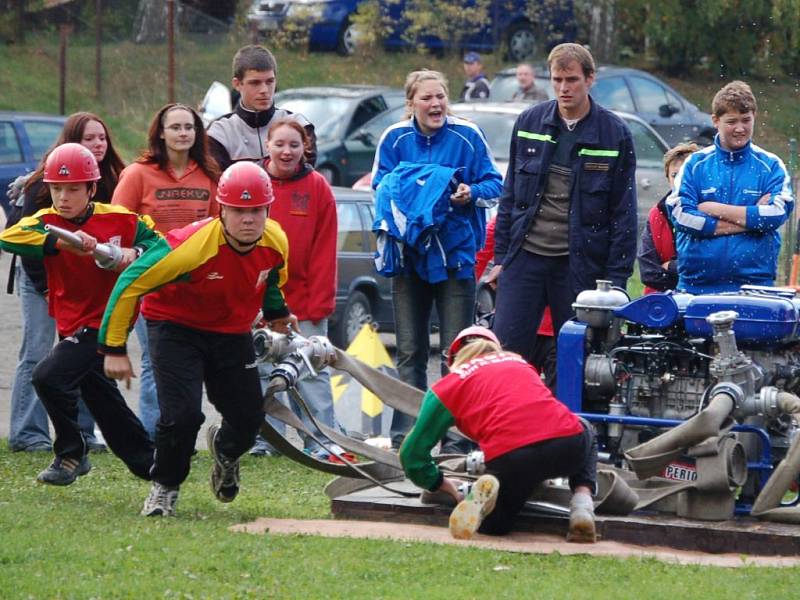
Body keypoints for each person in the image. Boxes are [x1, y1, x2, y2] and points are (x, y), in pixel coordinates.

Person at [99, 162, 296, 517]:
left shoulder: (276, 240)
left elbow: (271, 279)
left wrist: (278, 314)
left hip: (231, 331)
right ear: (222, 210)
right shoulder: (188, 247)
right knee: (182, 416)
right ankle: (165, 487)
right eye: (238, 210)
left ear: (268, 209)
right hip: (175, 327)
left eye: (256, 210)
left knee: (249, 416)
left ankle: (226, 452)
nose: (248, 219)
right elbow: (130, 282)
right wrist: (114, 348)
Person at [0, 143, 159, 485]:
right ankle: (149, 463)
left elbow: (158, 243)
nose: (64, 197)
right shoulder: (47, 222)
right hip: (70, 321)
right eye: (57, 188)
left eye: (74, 189)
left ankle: (72, 453)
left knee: (47, 377)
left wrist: (133, 251)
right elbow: (9, 238)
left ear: (91, 188)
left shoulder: (119, 218)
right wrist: (62, 242)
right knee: (101, 397)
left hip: (105, 322)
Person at [372, 69, 503, 451]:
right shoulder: (394, 138)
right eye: (427, 98)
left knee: (456, 352)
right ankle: (406, 435)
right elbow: (379, 186)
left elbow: (495, 184)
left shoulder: (467, 135)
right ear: (410, 103)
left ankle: (457, 438)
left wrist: (469, 191)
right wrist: (413, 197)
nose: (436, 105)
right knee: (410, 352)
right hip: (409, 258)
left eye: (441, 97)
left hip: (455, 260)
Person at [490, 43, 637, 369]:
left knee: (580, 363)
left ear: (590, 79)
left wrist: (616, 282)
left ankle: (575, 422)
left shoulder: (614, 135)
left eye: (571, 79)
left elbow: (623, 214)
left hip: (579, 265)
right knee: (506, 357)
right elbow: (510, 196)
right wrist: (502, 258)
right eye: (557, 79)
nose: (563, 88)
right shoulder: (529, 122)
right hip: (525, 258)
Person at [399, 326, 598, 542]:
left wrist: (441, 484)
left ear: (453, 359)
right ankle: (582, 504)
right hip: (566, 443)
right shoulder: (517, 361)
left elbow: (411, 455)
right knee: (585, 426)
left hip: (510, 457)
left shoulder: (449, 385)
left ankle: (470, 496)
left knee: (496, 526)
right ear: (496, 348)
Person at [7, 112, 126, 453]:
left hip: (86, 283)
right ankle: (28, 434)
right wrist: (47, 289)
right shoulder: (44, 183)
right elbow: (25, 239)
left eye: (102, 138)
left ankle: (83, 434)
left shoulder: (111, 182)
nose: (98, 144)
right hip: (41, 278)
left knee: (84, 358)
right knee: (38, 353)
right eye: (89, 138)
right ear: (72, 140)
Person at [111, 103, 221, 439]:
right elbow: (115, 225)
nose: (183, 133)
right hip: (151, 284)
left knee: (190, 363)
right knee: (154, 361)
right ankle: (155, 437)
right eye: (175, 127)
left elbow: (221, 228)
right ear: (161, 131)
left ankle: (182, 431)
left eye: (189, 127)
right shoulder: (138, 174)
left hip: (195, 286)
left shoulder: (209, 176)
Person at [250, 118, 339, 459]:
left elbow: (324, 250)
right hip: (259, 303)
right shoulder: (253, 182)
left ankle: (320, 441)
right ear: (267, 146)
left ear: (305, 149)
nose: (287, 152)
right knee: (260, 370)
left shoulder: (317, 187)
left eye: (294, 145)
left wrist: (319, 306)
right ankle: (268, 440)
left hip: (303, 303)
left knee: (310, 372)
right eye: (280, 144)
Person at [667, 81, 795, 294]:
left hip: (755, 286)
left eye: (746, 120)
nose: (740, 128)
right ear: (715, 121)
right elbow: (681, 216)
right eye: (731, 121)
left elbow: (777, 213)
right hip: (696, 286)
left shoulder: (771, 165)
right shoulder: (694, 164)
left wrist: (712, 208)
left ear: (755, 116)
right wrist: (751, 221)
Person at [207, 45, 316, 171]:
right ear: (237, 84)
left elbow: (304, 178)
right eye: (255, 83)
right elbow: (221, 184)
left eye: (270, 82)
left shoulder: (300, 126)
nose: (264, 90)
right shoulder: (219, 133)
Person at [638, 143, 698, 294]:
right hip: (661, 302)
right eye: (674, 175)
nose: (680, 181)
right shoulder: (657, 214)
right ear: (667, 178)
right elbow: (648, 273)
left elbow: (709, 267)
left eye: (686, 174)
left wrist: (670, 267)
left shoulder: (712, 212)